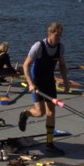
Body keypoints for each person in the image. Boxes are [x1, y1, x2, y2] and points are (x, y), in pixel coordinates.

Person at [17, 22, 70, 155]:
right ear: (50, 34)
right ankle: (25, 114)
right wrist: (30, 83)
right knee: (40, 112)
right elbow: (26, 65)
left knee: (51, 113)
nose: (59, 38)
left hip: (49, 82)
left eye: (60, 36)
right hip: (37, 82)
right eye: (57, 35)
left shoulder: (60, 47)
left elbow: (62, 65)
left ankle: (49, 144)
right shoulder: (39, 46)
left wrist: (65, 81)